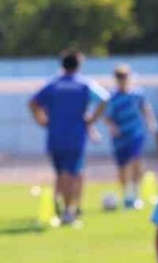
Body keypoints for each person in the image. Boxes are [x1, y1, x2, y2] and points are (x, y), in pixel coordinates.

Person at [28, 49, 109, 225]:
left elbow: (33, 102)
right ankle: (69, 210)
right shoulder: (84, 84)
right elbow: (104, 99)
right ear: (79, 65)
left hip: (55, 135)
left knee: (62, 173)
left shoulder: (53, 85)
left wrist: (41, 119)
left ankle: (68, 206)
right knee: (73, 172)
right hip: (76, 135)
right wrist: (92, 119)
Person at [104, 65, 158, 209]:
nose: (123, 81)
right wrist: (113, 128)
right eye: (120, 78)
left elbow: (146, 109)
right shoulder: (112, 98)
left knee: (136, 160)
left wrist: (152, 123)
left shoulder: (137, 95)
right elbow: (107, 117)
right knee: (123, 165)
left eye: (125, 77)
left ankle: (135, 194)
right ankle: (127, 195)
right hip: (120, 136)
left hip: (136, 133)